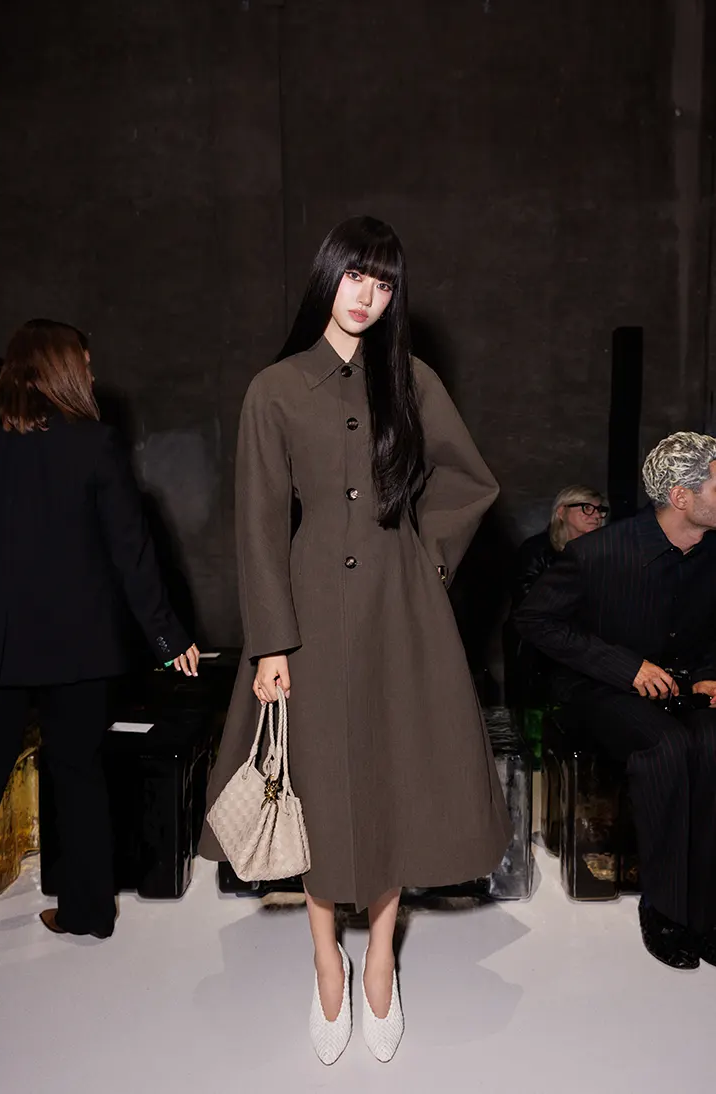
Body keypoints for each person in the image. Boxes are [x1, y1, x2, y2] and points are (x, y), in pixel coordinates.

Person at [200, 216, 511, 1063]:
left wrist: (425, 561)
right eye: (356, 276)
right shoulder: (275, 388)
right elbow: (259, 523)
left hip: (398, 612)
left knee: (391, 777)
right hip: (306, 613)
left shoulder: (411, 380)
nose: (368, 296)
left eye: (384, 283)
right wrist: (271, 643)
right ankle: (323, 959)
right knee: (315, 784)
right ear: (327, 276)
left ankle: (379, 959)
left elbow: (469, 480)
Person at [0, 319, 199, 940]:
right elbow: (132, 554)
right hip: (78, 649)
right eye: (84, 361)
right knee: (78, 774)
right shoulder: (95, 443)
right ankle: (89, 912)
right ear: (60, 367)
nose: (92, 372)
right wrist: (169, 639)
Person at [515, 431, 716, 971]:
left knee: (712, 744)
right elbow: (535, 621)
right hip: (598, 688)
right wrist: (625, 667)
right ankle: (665, 909)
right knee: (666, 747)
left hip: (683, 687)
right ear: (681, 496)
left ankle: (706, 910)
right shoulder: (597, 552)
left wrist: (708, 675)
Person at [504, 485, 607, 710]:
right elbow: (528, 604)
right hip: (538, 651)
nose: (596, 515)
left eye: (600, 509)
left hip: (582, 649)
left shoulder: (602, 552)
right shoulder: (535, 550)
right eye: (586, 508)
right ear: (561, 512)